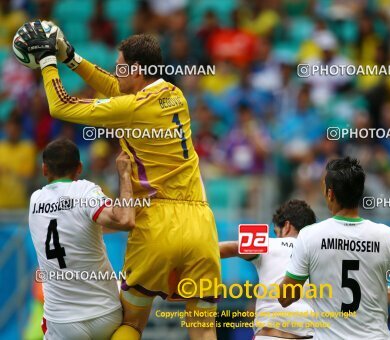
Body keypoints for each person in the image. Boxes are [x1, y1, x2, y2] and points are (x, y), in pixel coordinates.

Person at [18, 21, 221, 340]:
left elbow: (60, 106)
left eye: (121, 66)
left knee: (130, 324)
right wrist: (72, 57)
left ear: (137, 70)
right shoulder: (174, 94)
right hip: (201, 223)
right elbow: (117, 88)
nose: (117, 72)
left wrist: (48, 60)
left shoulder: (130, 108)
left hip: (156, 223)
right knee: (203, 327)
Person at [278, 157, 390, 339]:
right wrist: (382, 291)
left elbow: (285, 298)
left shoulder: (309, 236)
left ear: (330, 194)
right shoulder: (389, 237)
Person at [28, 138, 135, 339]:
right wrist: (125, 175)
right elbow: (125, 220)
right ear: (79, 168)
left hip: (62, 321)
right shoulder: (85, 191)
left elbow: (70, 227)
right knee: (134, 322)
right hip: (106, 314)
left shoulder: (35, 200)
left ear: (44, 169)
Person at [220, 199, 316, 339]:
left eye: (276, 232)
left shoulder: (264, 242)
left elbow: (226, 249)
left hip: (268, 335)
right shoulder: (317, 252)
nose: (276, 236)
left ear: (287, 226)